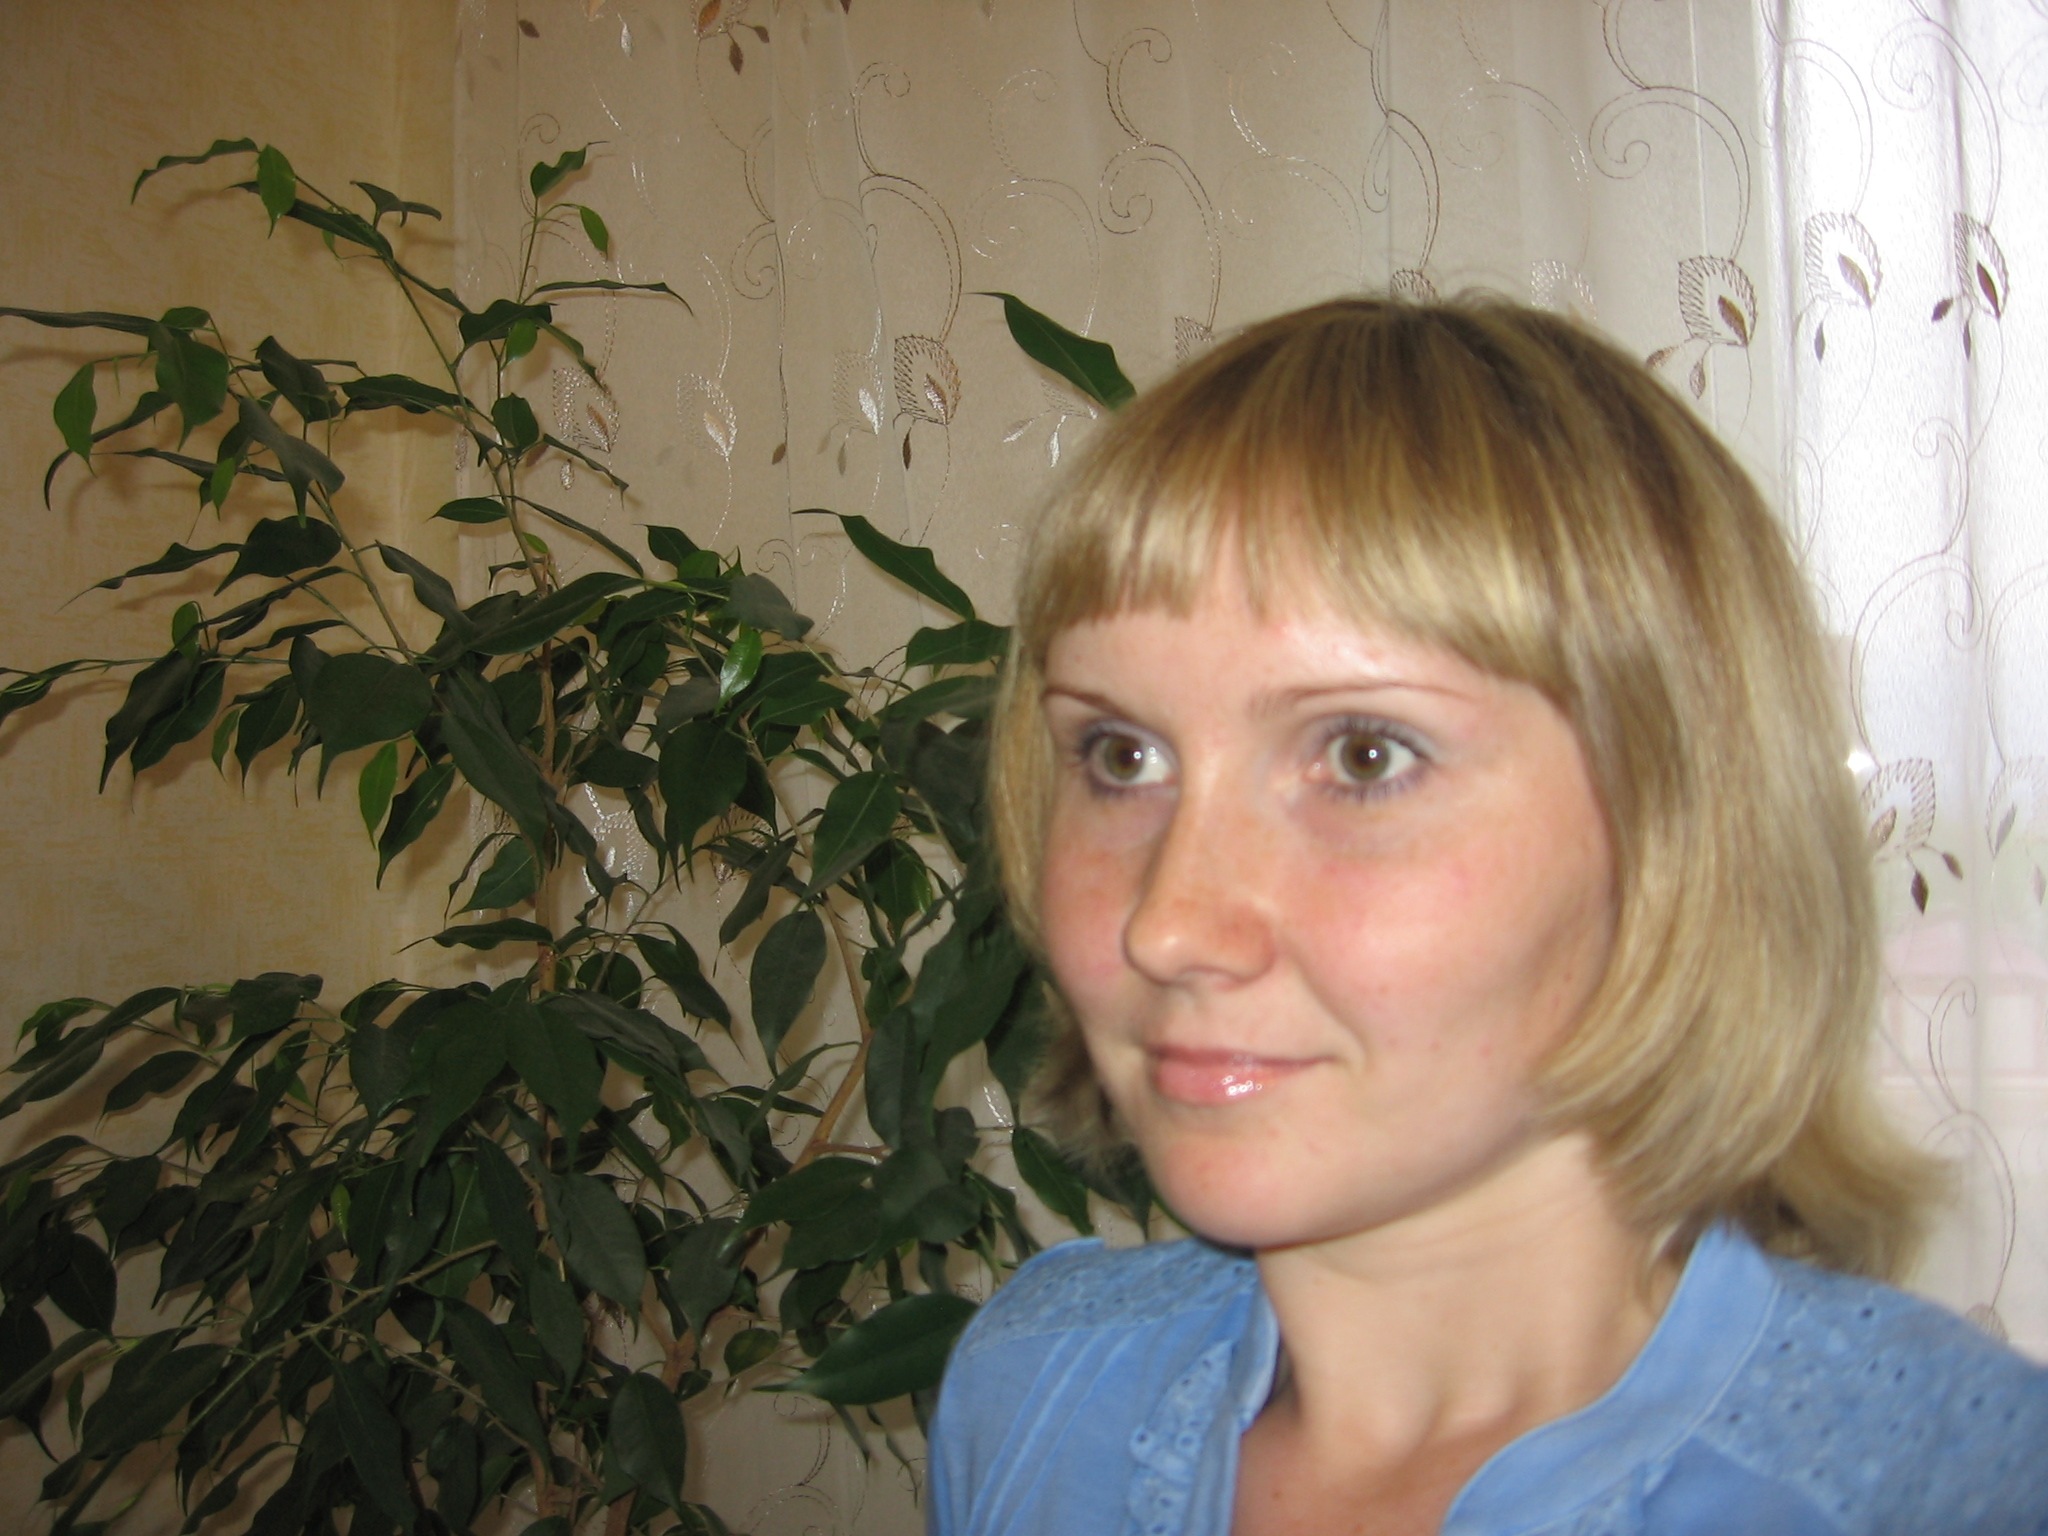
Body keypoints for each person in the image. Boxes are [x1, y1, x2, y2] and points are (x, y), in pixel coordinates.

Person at [925, 297, 2048, 1536]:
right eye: (1120, 756)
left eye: (1362, 756)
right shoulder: (1033, 1394)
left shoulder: (1956, 1491)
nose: (1167, 926)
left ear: (1679, 826)